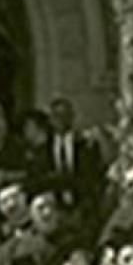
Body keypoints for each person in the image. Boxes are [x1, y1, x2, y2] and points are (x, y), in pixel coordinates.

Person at [48, 95, 104, 225]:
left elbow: (94, 176)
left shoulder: (86, 144)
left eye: (65, 115)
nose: (61, 120)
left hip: (83, 209)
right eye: (56, 116)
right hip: (55, 210)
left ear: (72, 117)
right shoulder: (45, 147)